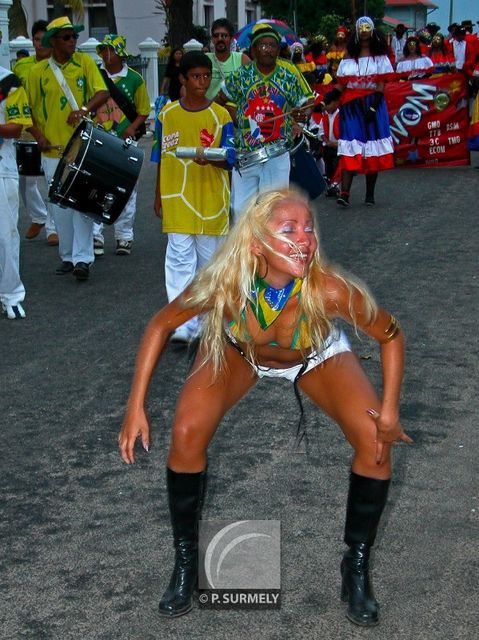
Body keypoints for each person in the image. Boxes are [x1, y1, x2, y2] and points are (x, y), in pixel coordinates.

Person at [118, 187, 412, 625]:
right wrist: (134, 406)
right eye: (289, 228)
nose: (305, 238)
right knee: (185, 433)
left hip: (315, 357)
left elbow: (390, 334)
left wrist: (389, 412)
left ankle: (356, 566)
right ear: (256, 243)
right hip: (241, 354)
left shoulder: (329, 290)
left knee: (375, 442)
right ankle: (185, 562)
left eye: (309, 228)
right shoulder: (225, 283)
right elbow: (161, 323)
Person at [151, 51, 235, 343]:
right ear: (183, 79)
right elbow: (160, 157)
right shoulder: (167, 115)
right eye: (196, 77)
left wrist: (211, 159)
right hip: (177, 198)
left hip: (211, 200)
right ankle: (183, 323)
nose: (202, 82)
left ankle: (211, 320)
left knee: (209, 262)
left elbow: (230, 159)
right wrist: (158, 195)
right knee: (178, 260)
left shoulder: (221, 116)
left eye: (207, 76)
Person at [27, 16, 109, 281]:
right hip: (53, 148)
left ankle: (83, 259)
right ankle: (67, 255)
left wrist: (84, 109)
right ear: (54, 42)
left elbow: (102, 92)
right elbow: (28, 111)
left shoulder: (84, 63)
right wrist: (37, 135)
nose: (73, 41)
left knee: (82, 204)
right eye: (67, 37)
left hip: (83, 147)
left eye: (74, 36)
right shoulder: (37, 73)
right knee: (60, 206)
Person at [216, 23, 314, 222]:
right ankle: (247, 251)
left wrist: (300, 118)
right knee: (240, 210)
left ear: (278, 50)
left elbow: (307, 102)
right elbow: (219, 101)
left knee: (275, 208)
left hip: (277, 153)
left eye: (272, 45)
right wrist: (229, 123)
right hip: (246, 154)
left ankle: (271, 251)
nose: (267, 50)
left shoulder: (288, 74)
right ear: (253, 50)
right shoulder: (240, 76)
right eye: (262, 45)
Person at [92, 34, 151, 257]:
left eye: (110, 50)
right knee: (97, 184)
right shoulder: (95, 76)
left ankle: (124, 236)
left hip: (125, 139)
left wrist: (131, 127)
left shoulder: (134, 79)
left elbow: (144, 109)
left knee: (126, 188)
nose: (106, 54)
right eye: (104, 50)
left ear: (119, 53)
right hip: (101, 136)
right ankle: (95, 235)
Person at [335, 17, 395, 207]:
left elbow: (380, 86)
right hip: (351, 107)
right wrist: (327, 98)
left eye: (367, 27)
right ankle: (344, 193)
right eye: (361, 28)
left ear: (373, 31)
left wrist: (373, 107)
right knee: (349, 145)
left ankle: (370, 194)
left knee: (372, 147)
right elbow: (341, 85)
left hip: (373, 105)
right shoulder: (348, 58)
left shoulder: (380, 58)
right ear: (357, 31)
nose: (364, 31)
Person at [12, 19, 58, 246]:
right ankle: (38, 216)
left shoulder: (56, 66)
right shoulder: (21, 67)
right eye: (36, 39)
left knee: (52, 179)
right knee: (25, 179)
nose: (40, 44)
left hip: (51, 130)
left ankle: (52, 226)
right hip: (26, 129)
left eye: (44, 40)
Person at [0, 65, 33, 319]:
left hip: (2, 168)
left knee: (6, 235)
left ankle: (11, 294)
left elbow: (16, 127)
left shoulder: (9, 82)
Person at [205, 18, 249, 104]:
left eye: (224, 36)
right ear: (212, 39)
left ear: (232, 38)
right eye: (216, 36)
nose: (220, 39)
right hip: (210, 112)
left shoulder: (242, 59)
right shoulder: (205, 59)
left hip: (234, 113)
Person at [318, 90, 341, 197]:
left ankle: (336, 186)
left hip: (339, 147)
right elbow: (321, 131)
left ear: (336, 103)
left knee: (337, 166)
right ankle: (330, 186)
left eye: (328, 104)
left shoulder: (341, 115)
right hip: (328, 146)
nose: (326, 107)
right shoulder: (325, 116)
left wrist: (335, 144)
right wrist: (326, 141)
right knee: (329, 167)